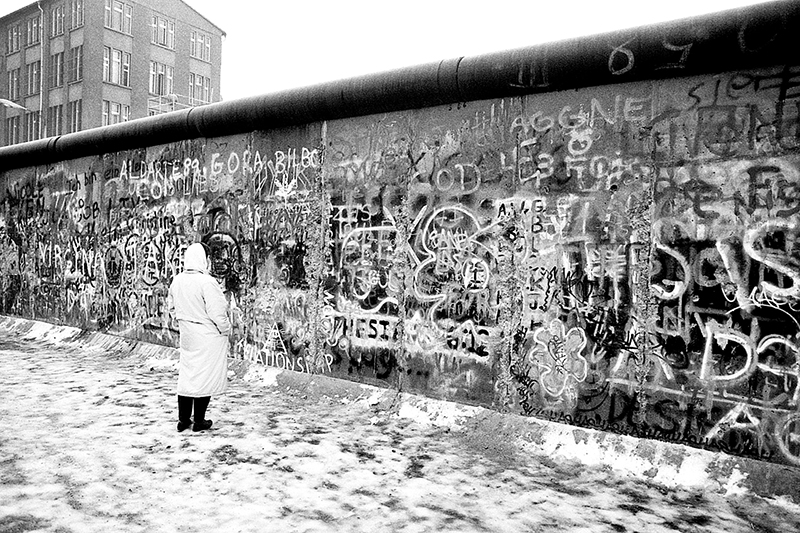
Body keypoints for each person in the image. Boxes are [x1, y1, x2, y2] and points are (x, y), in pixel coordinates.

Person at [167, 242, 232, 432]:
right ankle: (200, 421)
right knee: (204, 376)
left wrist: (183, 321)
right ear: (203, 260)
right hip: (207, 336)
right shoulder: (207, 282)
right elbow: (217, 312)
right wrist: (226, 329)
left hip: (187, 335)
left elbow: (172, 308)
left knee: (187, 376)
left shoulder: (177, 280)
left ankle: (183, 420)